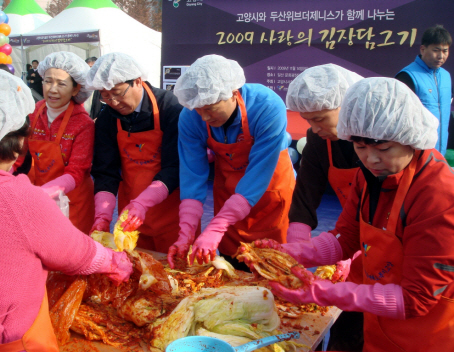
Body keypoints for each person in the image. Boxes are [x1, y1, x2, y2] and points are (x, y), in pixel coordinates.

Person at [259, 77, 454, 351]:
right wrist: (289, 253)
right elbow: (346, 238)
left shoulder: (439, 194)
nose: (370, 158)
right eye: (360, 147)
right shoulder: (371, 175)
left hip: (424, 334)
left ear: (411, 137)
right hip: (379, 324)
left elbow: (415, 299)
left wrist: (325, 291)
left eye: (383, 148)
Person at [0, 68, 133, 350]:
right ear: (12, 141)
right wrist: (112, 261)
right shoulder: (15, 197)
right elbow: (73, 253)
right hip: (6, 335)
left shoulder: (82, 123)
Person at [168, 54, 295, 269]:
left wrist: (217, 225)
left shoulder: (267, 106)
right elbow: (192, 175)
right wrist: (186, 231)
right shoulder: (190, 118)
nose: (204, 116)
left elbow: (259, 172)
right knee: (231, 270)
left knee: (273, 270)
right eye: (198, 108)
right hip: (229, 196)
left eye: (210, 108)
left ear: (233, 94)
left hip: (270, 194)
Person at [286, 63, 364, 351]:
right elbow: (305, 195)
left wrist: (350, 254)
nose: (314, 129)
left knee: (356, 328)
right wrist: (297, 250)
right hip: (351, 231)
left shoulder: (379, 145)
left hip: (379, 244)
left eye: (320, 119)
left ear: (347, 104)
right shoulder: (320, 141)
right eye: (309, 120)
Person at [86, 52, 185, 253]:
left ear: (138, 81)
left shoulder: (170, 107)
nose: (112, 101)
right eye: (105, 96)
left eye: (117, 92)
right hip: (130, 219)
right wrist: (102, 217)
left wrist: (143, 203)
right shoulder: (108, 119)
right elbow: (106, 171)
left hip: (172, 216)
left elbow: (175, 167)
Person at [27, 51, 95, 234]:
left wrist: (49, 191)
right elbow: (20, 155)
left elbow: (78, 169)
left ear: (75, 89)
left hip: (72, 202)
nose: (52, 89)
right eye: (48, 81)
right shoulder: (33, 113)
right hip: (36, 198)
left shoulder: (83, 123)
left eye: (61, 84)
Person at [396, 24, 452, 155]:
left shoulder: (446, 76)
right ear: (422, 49)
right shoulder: (407, 76)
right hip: (415, 152)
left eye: (445, 51)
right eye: (436, 50)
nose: (441, 56)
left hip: (440, 151)